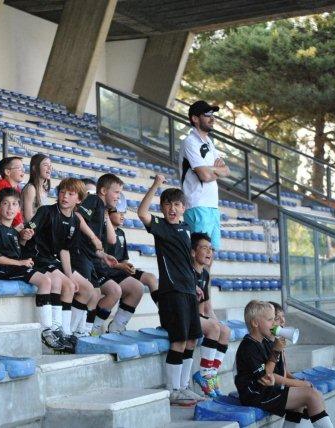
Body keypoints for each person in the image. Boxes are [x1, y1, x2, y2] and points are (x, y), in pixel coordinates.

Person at [138, 174, 205, 405]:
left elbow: (185, 261)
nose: (172, 209)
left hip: (188, 291)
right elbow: (142, 213)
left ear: (184, 207)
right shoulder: (161, 228)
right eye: (167, 205)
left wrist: (194, 285)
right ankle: (172, 390)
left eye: (176, 204)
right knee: (179, 341)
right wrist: (156, 184)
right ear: (162, 208)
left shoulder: (186, 228)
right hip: (173, 293)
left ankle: (184, 386)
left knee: (192, 340)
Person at [0, 187, 67, 352]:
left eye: (14, 204)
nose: (10, 208)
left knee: (50, 280)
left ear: (19, 208)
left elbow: (17, 251)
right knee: (45, 281)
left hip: (12, 267)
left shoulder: (13, 231)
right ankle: (45, 330)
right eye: (5, 204)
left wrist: (23, 240)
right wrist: (20, 263)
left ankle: (53, 328)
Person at [236, 301, 333, 427]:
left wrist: (278, 351)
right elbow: (266, 377)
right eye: (270, 320)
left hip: (265, 392)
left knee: (303, 400)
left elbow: (275, 373)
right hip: (255, 395)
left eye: (274, 319)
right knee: (312, 396)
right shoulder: (248, 347)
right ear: (255, 323)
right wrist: (276, 351)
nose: (274, 323)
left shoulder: (263, 342)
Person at [73, 174, 144, 337]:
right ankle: (79, 332)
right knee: (95, 293)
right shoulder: (94, 200)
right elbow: (78, 216)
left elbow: (107, 241)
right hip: (80, 257)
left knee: (99, 294)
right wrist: (93, 237)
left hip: (93, 259)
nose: (118, 197)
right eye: (116, 192)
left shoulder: (101, 208)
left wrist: (103, 255)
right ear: (104, 191)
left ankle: (87, 331)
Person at [28, 178, 95, 349]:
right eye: (62, 192)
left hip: (53, 261)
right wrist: (24, 234)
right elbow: (28, 231)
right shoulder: (46, 211)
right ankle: (59, 330)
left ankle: (68, 331)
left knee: (88, 289)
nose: (65, 196)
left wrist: (69, 275)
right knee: (69, 286)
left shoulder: (75, 220)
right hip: (37, 258)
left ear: (79, 199)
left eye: (70, 194)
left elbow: (65, 250)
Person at [179, 100, 230, 252]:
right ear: (195, 118)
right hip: (197, 204)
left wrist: (210, 170)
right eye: (207, 114)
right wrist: (215, 171)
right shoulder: (190, 142)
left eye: (212, 114)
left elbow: (227, 170)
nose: (212, 118)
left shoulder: (209, 142)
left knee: (210, 253)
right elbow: (205, 176)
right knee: (199, 252)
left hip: (212, 205)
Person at [189, 232, 231, 398]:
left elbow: (206, 307)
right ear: (193, 252)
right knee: (214, 327)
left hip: (198, 316)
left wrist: (216, 323)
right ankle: (205, 375)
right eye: (204, 248)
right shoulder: (187, 271)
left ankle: (212, 374)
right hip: (186, 316)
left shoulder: (205, 274)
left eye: (211, 249)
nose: (209, 252)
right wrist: (211, 325)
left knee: (225, 330)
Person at [105, 204, 159, 305]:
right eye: (119, 212)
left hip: (121, 269)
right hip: (109, 272)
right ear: (108, 214)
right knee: (136, 287)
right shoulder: (102, 231)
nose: (122, 215)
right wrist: (121, 266)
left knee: (151, 278)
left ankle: (163, 310)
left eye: (123, 212)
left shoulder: (121, 232)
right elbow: (102, 260)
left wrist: (128, 266)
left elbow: (124, 258)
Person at [0, 156, 25, 227]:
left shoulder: (18, 189)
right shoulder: (0, 185)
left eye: (23, 168)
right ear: (7, 172)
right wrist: (12, 227)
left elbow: (18, 216)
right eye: (19, 168)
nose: (22, 171)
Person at [21, 153, 51, 222]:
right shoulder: (31, 189)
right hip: (31, 227)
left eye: (50, 165)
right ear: (34, 168)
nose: (49, 168)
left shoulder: (44, 189)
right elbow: (28, 218)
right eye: (45, 165)